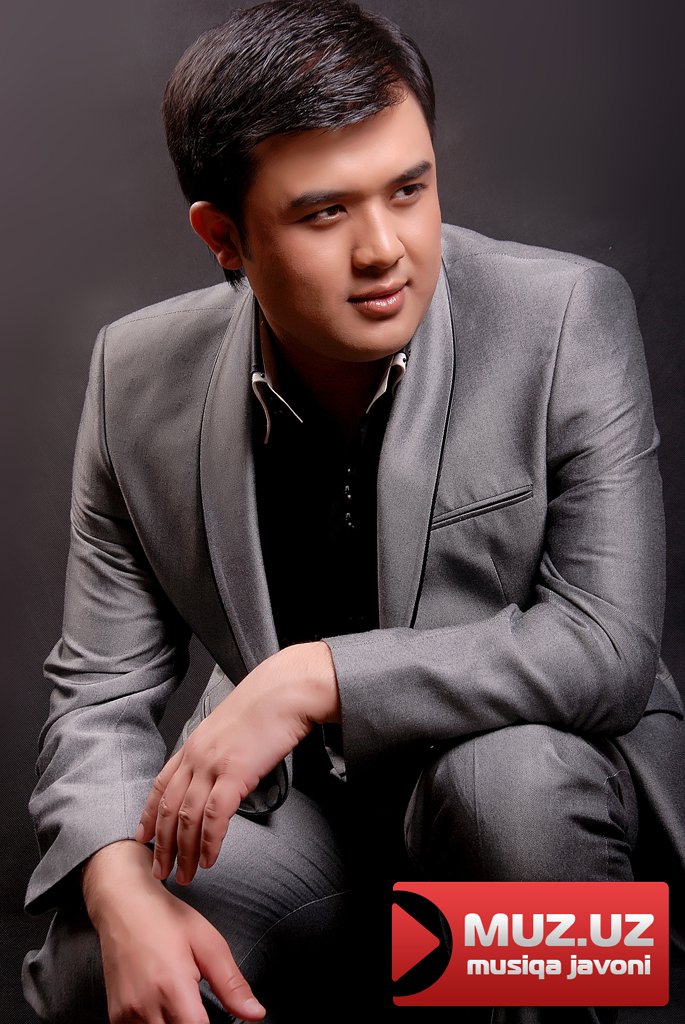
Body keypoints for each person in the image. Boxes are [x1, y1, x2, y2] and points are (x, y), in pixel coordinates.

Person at [21, 1, 685, 1022]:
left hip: (539, 819)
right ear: (223, 236)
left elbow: (607, 648)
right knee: (95, 953)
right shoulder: (135, 375)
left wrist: (313, 678)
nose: (385, 249)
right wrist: (115, 883)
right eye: (324, 213)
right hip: (302, 821)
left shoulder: (561, 316)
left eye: (409, 190)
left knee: (505, 788)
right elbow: (99, 692)